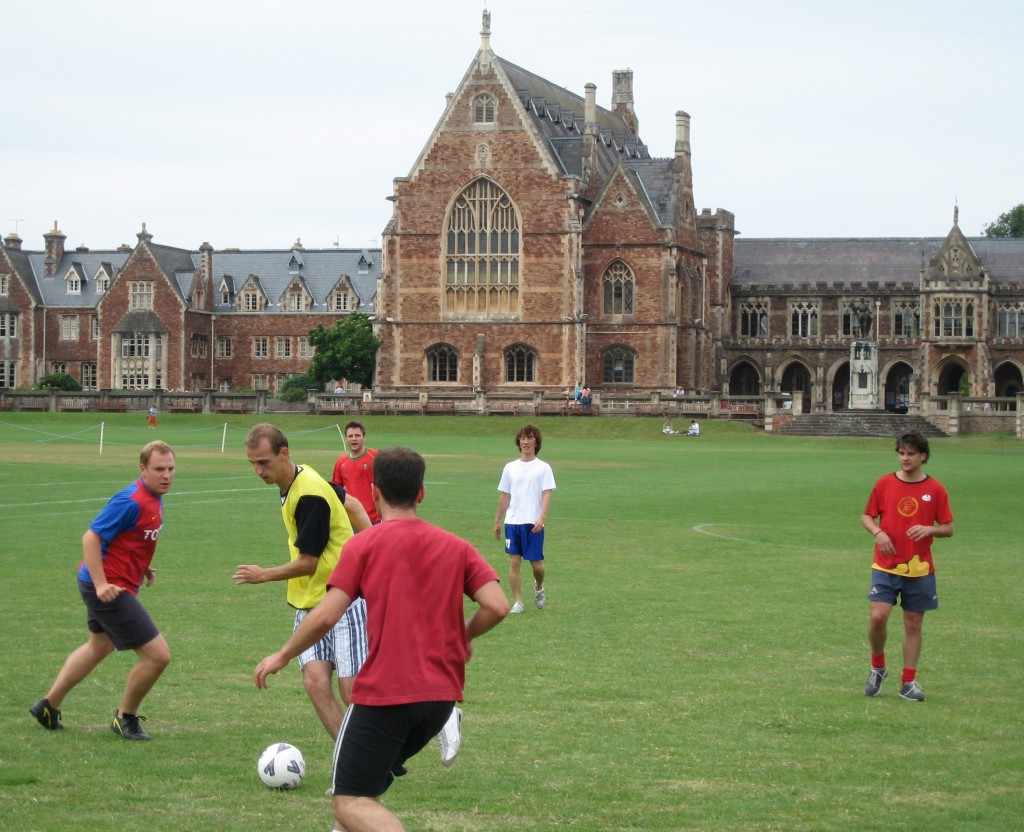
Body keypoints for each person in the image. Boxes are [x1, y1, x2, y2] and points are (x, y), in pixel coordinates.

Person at [254, 446, 509, 832]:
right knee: (361, 795)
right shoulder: (457, 546)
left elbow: (325, 615)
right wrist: (461, 636)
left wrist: (283, 654)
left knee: (348, 802)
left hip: (386, 697)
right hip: (439, 702)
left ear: (373, 493)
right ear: (421, 493)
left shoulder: (363, 544)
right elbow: (497, 605)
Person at [29, 441, 176, 740]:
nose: (166, 475)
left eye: (171, 469)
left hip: (114, 581)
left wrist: (142, 566)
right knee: (158, 656)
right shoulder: (131, 500)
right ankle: (125, 717)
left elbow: (130, 539)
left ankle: (48, 706)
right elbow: (91, 538)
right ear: (143, 469)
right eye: (159, 469)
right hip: (109, 589)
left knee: (99, 646)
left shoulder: (154, 497)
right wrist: (100, 584)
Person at [234, 423, 369, 740]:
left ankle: (412, 730)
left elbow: (308, 563)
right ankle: (349, 762)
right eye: (252, 463)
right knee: (314, 682)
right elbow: (353, 504)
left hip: (342, 601)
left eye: (263, 462)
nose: (258, 470)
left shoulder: (309, 495)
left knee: (351, 690)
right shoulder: (302, 476)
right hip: (309, 601)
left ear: (284, 454)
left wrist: (262, 575)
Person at [860, 430, 954, 701]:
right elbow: (867, 516)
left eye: (911, 454)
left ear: (923, 456)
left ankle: (908, 682)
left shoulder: (935, 489)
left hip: (920, 568)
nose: (905, 458)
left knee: (913, 623)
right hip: (885, 564)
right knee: (878, 617)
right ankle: (877, 667)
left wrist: (929, 529)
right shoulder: (884, 484)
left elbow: (948, 528)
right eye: (901, 453)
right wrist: (878, 533)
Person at [494, 424, 556, 614]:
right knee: (514, 561)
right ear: (518, 442)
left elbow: (546, 494)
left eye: (529, 438)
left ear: (536, 442)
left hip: (533, 523)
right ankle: (518, 602)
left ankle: (538, 586)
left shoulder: (544, 468)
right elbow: (505, 495)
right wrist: (497, 520)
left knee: (536, 564)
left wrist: (541, 517)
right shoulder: (510, 468)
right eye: (522, 438)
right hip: (512, 522)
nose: (525, 441)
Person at [332, 420, 379, 524]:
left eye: (357, 435)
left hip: (374, 519)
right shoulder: (341, 462)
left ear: (364, 437)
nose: (354, 439)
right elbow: (336, 491)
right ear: (346, 439)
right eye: (350, 436)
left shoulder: (375, 457)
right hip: (352, 519)